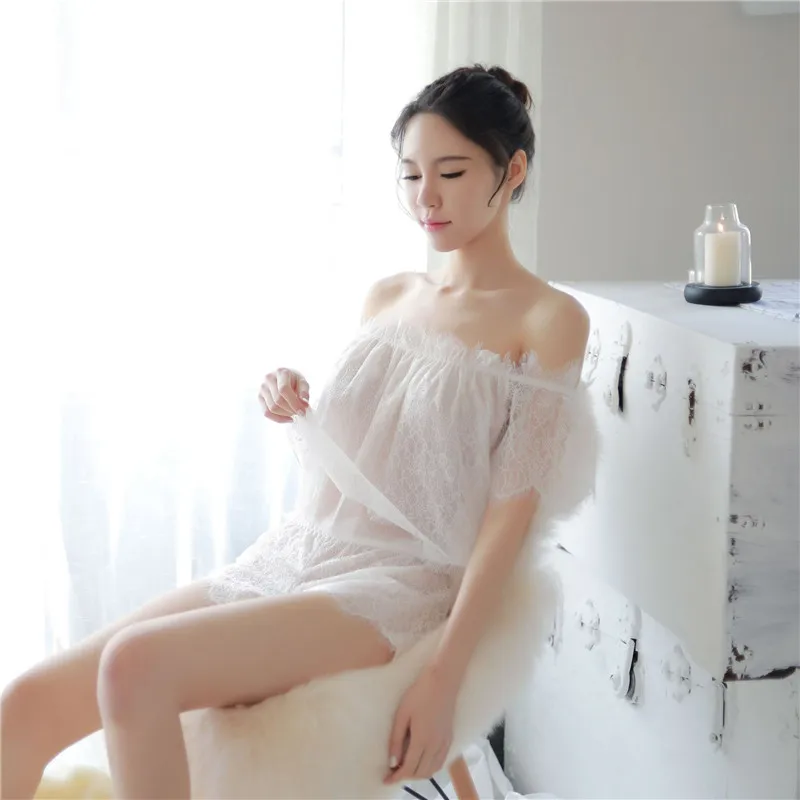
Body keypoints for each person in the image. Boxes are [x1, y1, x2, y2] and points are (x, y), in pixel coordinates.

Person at [0, 63, 591, 799]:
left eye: (451, 172)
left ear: (513, 170)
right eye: (410, 175)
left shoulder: (548, 319)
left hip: (399, 587)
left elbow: (511, 514)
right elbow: (365, 454)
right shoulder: (388, 296)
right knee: (24, 704)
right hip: (298, 551)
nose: (426, 197)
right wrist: (292, 397)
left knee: (134, 667)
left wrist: (444, 676)